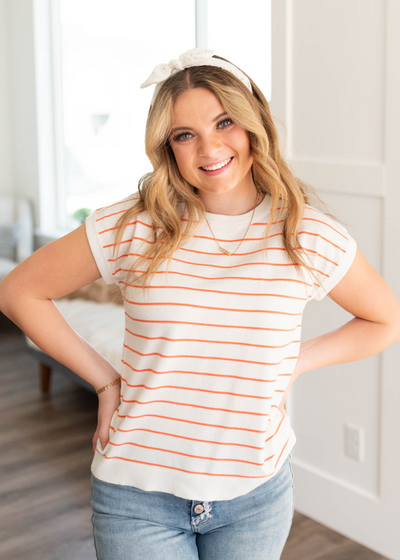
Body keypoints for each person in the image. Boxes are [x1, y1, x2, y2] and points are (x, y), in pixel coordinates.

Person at [1, 47, 399, 560]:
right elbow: (19, 292)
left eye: (224, 121)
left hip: (256, 498)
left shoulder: (307, 234)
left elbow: (384, 319)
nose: (208, 147)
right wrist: (105, 380)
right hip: (137, 499)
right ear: (167, 148)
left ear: (254, 123)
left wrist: (293, 364)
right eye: (184, 134)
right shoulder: (133, 225)